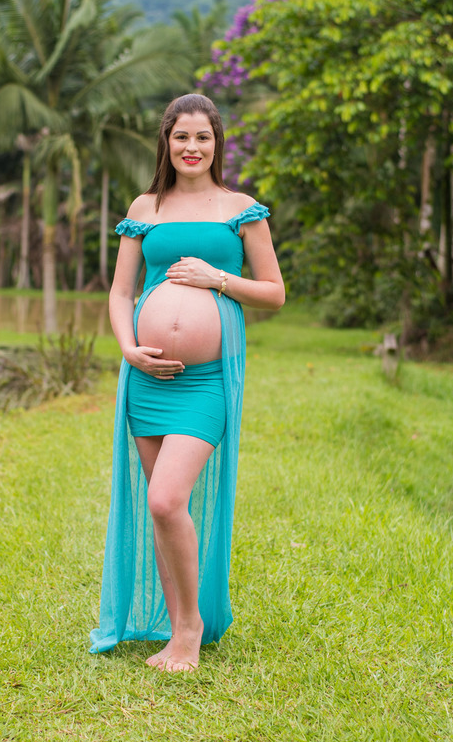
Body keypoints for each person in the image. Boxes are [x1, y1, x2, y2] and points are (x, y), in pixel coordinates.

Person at [88, 94, 285, 672]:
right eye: (181, 138)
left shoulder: (241, 208)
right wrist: (129, 348)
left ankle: (192, 630)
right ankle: (177, 628)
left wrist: (217, 278)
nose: (192, 148)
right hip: (146, 378)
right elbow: (122, 292)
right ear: (166, 144)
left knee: (166, 497)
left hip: (205, 383)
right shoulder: (145, 206)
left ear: (217, 143)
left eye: (203, 137)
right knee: (162, 507)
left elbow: (274, 292)